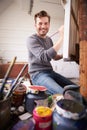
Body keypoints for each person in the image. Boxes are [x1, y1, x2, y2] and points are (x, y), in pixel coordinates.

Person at [26, 10, 77, 95]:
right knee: (63, 94)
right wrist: (62, 37)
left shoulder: (49, 40)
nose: (43, 26)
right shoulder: (31, 39)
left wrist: (65, 55)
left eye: (46, 23)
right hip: (38, 74)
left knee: (75, 88)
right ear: (35, 25)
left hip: (50, 72)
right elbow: (44, 56)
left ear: (49, 25)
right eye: (40, 23)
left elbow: (54, 56)